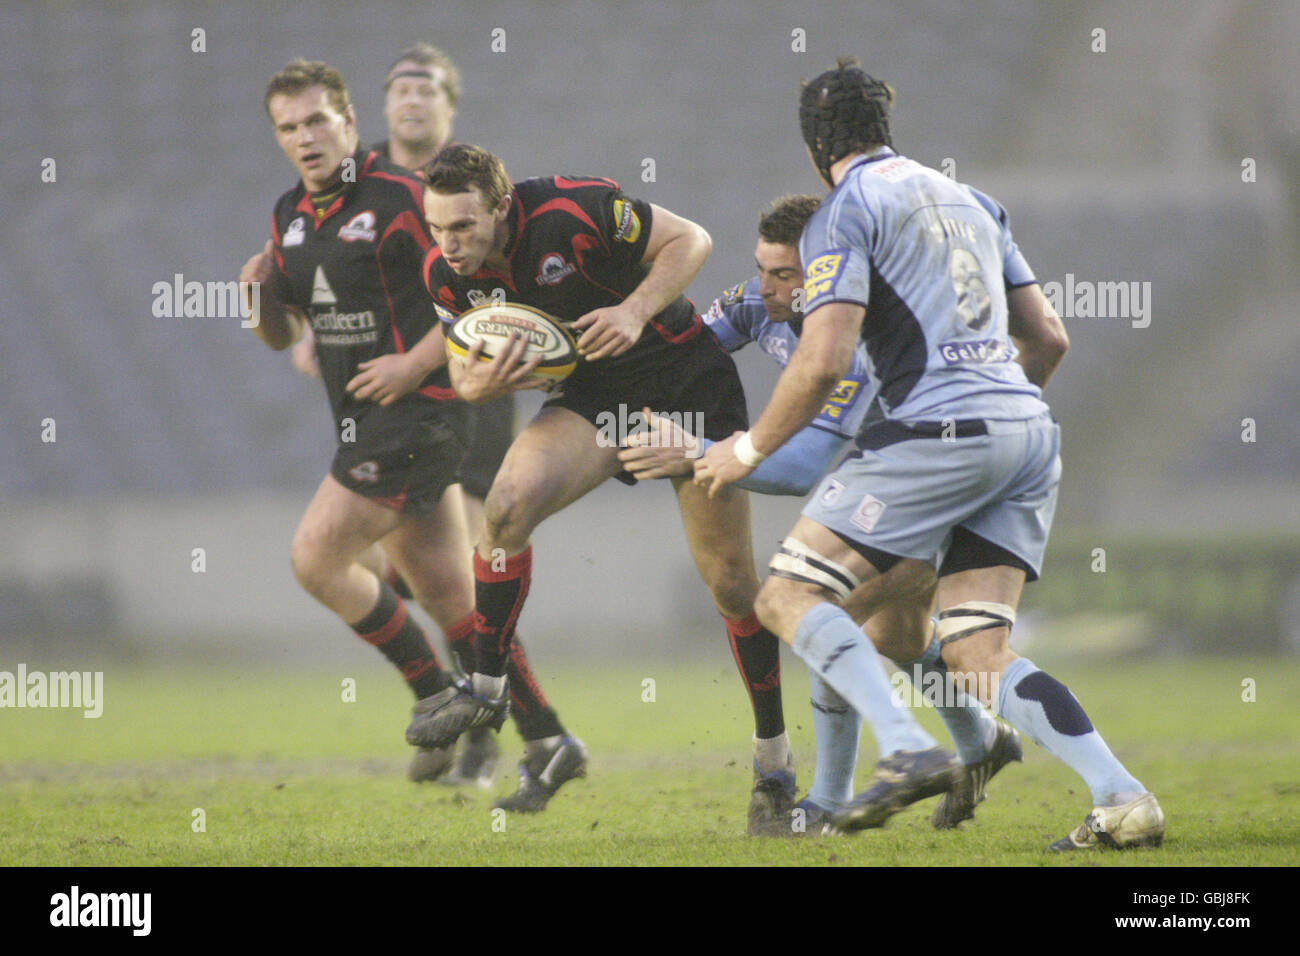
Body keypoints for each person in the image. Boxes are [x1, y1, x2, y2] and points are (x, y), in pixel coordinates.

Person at [698, 58, 1164, 850]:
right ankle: (1122, 796)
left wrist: (743, 449)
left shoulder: (842, 214)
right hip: (1026, 428)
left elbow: (824, 360)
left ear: (817, 143)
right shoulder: (975, 200)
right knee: (977, 647)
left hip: (935, 427)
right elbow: (1048, 337)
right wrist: (996, 419)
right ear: (885, 127)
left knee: (786, 598)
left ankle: (908, 749)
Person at [406, 144, 799, 834]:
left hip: (685, 386)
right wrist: (488, 380)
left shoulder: (569, 210)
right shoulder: (446, 274)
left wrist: (635, 310)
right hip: (593, 401)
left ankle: (773, 764)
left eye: (463, 226)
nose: (449, 243)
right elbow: (466, 379)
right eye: (437, 228)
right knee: (503, 509)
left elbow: (691, 239)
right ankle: (489, 689)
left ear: (501, 208)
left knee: (733, 586)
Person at [620, 195, 1015, 834]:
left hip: (933, 484)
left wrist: (695, 450)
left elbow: (801, 468)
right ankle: (985, 743)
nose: (768, 289)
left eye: (787, 275)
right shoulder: (759, 302)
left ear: (832, 271)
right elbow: (682, 355)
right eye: (764, 269)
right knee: (899, 640)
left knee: (824, 614)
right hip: (886, 492)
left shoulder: (856, 339)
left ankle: (828, 802)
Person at [241, 61, 580, 807]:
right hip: (369, 426)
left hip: (422, 417)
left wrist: (410, 364)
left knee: (315, 556)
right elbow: (282, 335)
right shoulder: (288, 216)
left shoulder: (400, 198)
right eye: (290, 127)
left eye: (318, 121)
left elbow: (469, 298)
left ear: (350, 121)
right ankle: (550, 737)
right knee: (455, 600)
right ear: (279, 137)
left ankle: (435, 698)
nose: (306, 137)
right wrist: (260, 303)